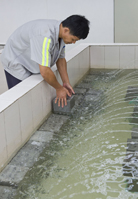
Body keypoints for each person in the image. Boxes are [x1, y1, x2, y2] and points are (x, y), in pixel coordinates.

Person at [1, 15, 90, 107]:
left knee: (30, 99)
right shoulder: (45, 36)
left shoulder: (61, 33)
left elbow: (61, 59)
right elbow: (44, 71)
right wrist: (59, 88)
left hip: (29, 59)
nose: (74, 42)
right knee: (20, 102)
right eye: (73, 39)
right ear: (66, 30)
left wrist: (65, 82)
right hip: (15, 60)